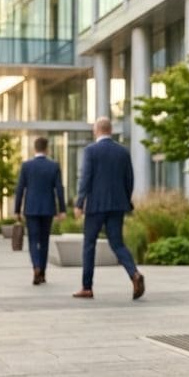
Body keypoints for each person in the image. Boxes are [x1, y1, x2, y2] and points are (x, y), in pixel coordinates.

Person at [73, 116, 144, 300]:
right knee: (117, 243)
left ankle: (87, 287)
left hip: (96, 206)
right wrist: (126, 200)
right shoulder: (123, 152)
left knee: (89, 244)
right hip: (117, 205)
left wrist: (80, 203)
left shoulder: (91, 151)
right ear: (110, 131)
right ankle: (134, 274)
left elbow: (85, 178)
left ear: (96, 130)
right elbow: (129, 180)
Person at [13, 136, 67, 285]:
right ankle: (42, 273)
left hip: (31, 209)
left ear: (34, 148)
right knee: (44, 241)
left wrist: (17, 209)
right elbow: (59, 189)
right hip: (48, 209)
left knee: (33, 241)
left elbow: (20, 189)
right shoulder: (54, 166)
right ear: (47, 149)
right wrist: (62, 209)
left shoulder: (26, 166)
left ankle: (36, 267)